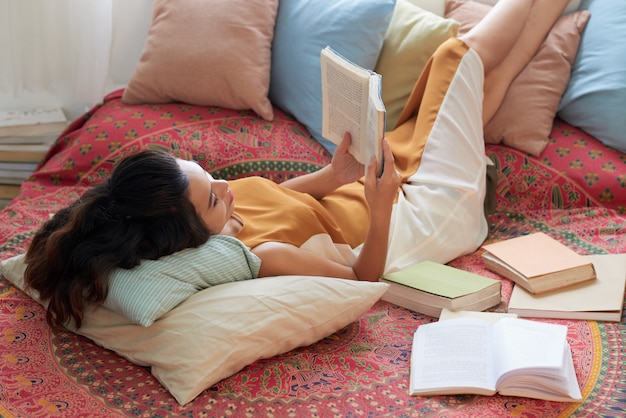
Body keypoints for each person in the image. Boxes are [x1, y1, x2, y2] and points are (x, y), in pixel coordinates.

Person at [24, 0, 572, 328]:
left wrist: (334, 176)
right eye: (213, 195)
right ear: (191, 234)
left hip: (372, 190)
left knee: (467, 95)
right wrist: (380, 208)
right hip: (416, 216)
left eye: (203, 171)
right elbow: (363, 278)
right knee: (456, 58)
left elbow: (282, 198)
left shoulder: (209, 213)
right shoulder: (268, 256)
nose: (223, 183)